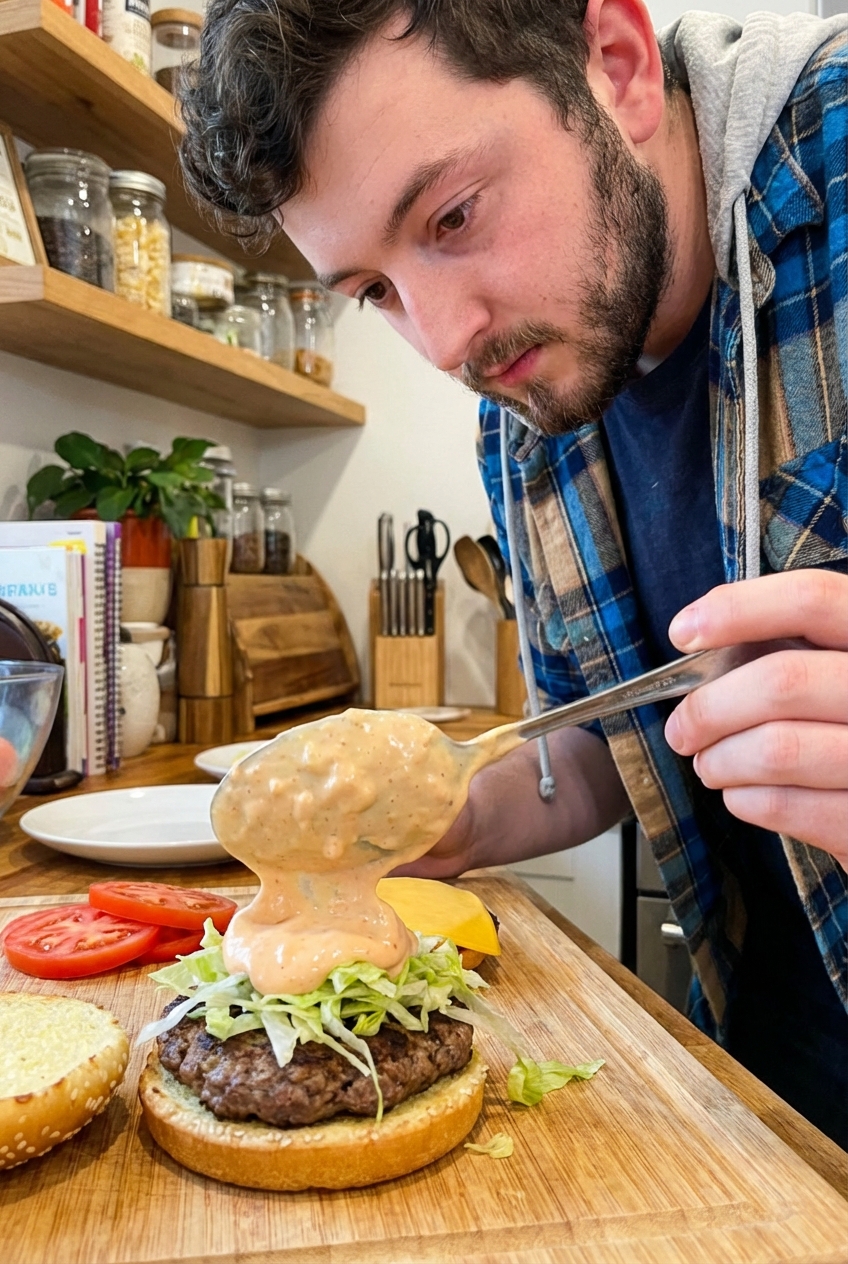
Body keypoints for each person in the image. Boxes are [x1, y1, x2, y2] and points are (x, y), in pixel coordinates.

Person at [178, 1, 848, 1144]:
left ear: (616, 66)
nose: (442, 340)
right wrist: (450, 812)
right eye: (374, 291)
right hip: (769, 1051)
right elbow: (601, 741)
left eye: (451, 215)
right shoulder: (526, 399)